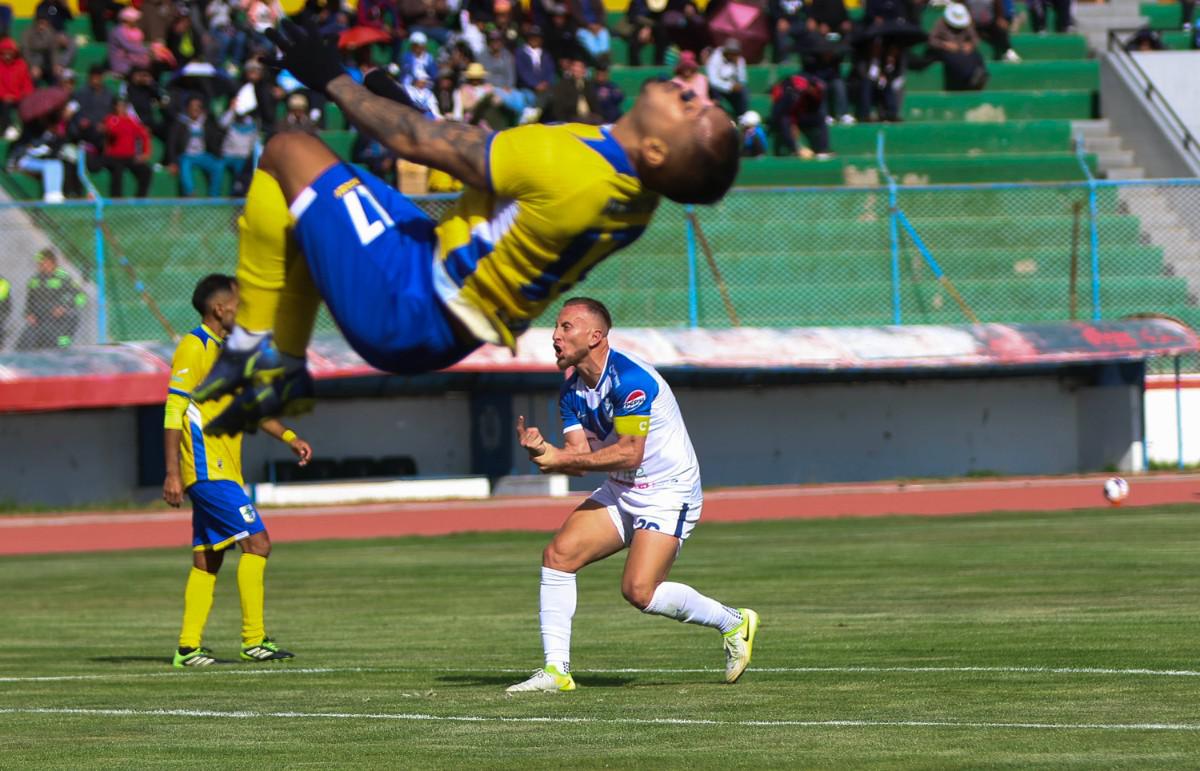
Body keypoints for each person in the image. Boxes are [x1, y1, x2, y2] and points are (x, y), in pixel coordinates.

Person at [190, 17, 739, 436]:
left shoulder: (573, 165)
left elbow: (415, 145)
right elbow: (499, 191)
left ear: (657, 150)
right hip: (443, 307)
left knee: (288, 149)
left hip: (413, 301)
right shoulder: (632, 197)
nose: (691, 90)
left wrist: (329, 75)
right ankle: (282, 365)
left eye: (693, 107)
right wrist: (414, 117)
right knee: (312, 200)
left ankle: (253, 350)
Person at [505, 298, 759, 693]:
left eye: (565, 327)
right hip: (623, 488)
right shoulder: (571, 391)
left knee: (639, 591)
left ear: (595, 336)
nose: (555, 336)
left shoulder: (630, 380)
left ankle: (734, 621)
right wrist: (544, 453)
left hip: (667, 492)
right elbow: (578, 461)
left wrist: (558, 459)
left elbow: (630, 451)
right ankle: (556, 672)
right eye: (556, 328)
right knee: (558, 557)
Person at [164, 273, 312, 668]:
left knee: (208, 560)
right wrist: (172, 472)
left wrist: (290, 436)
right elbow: (173, 410)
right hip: (206, 467)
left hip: (222, 469)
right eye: (237, 304)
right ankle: (253, 640)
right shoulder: (194, 347)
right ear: (219, 308)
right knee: (258, 542)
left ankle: (187, 648)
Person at [16, 248, 85, 350]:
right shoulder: (34, 280)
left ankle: (62, 351)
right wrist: (28, 314)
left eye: (42, 261)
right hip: (38, 320)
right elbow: (29, 301)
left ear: (51, 262)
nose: (39, 264)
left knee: (57, 346)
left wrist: (64, 307)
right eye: (39, 262)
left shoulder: (63, 277)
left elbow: (81, 297)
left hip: (59, 320)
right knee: (22, 345)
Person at [90, 97, 153, 197]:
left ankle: (140, 199)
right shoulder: (110, 118)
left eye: (124, 105)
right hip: (114, 157)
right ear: (115, 106)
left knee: (146, 171)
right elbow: (112, 131)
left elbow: (144, 136)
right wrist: (106, 129)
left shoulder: (132, 121)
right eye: (120, 105)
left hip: (129, 157)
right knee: (117, 169)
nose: (122, 108)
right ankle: (117, 200)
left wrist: (145, 153)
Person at [927, 3, 988, 91]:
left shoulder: (967, 24)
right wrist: (945, 45)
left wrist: (970, 45)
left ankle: (978, 76)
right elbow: (931, 40)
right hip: (946, 51)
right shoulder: (941, 22)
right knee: (955, 60)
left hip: (962, 49)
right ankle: (966, 78)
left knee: (976, 56)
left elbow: (975, 38)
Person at [0, 37, 33, 141]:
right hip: (3, 99)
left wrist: (19, 96)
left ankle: (26, 133)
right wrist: (4, 96)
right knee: (5, 105)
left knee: (28, 104)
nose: (7, 56)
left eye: (9, 53)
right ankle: (4, 130)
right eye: (4, 53)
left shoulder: (21, 65)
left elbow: (27, 85)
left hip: (18, 97)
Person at [706, 38, 748, 117]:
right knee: (712, 89)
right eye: (731, 53)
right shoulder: (715, 57)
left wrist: (737, 66)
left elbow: (743, 79)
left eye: (735, 54)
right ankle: (717, 114)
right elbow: (713, 80)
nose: (733, 56)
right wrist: (729, 87)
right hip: (718, 88)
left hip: (733, 88)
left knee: (744, 91)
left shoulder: (739, 59)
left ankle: (742, 117)